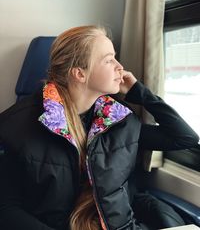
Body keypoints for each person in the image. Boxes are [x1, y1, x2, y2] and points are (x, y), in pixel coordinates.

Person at [0, 25, 199, 230]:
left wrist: (140, 92)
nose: (120, 67)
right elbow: (7, 209)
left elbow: (185, 138)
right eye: (108, 59)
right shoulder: (19, 126)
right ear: (80, 73)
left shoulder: (118, 119)